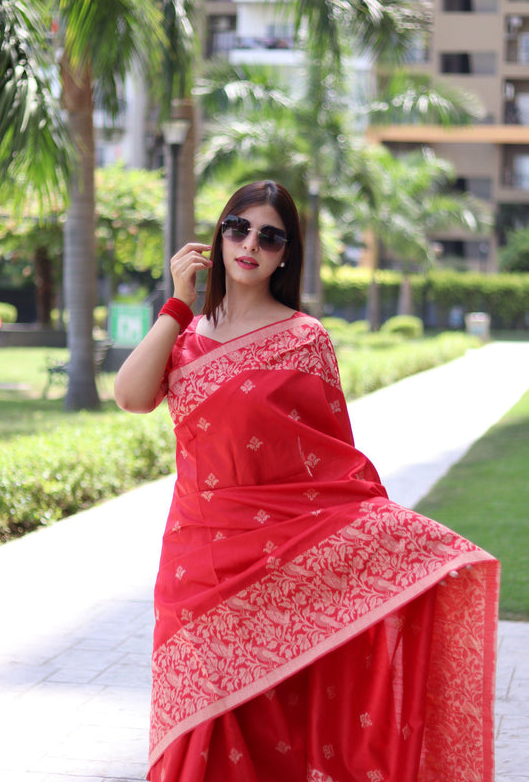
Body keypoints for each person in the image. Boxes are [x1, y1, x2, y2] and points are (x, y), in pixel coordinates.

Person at [114, 180, 499, 782]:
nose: (250, 245)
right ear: (218, 235)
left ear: (286, 253)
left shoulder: (304, 339)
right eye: (237, 228)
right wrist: (177, 304)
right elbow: (132, 396)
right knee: (193, 724)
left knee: (270, 722)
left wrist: (394, 541)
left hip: (277, 563)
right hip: (194, 564)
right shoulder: (184, 337)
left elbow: (333, 466)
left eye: (270, 236)